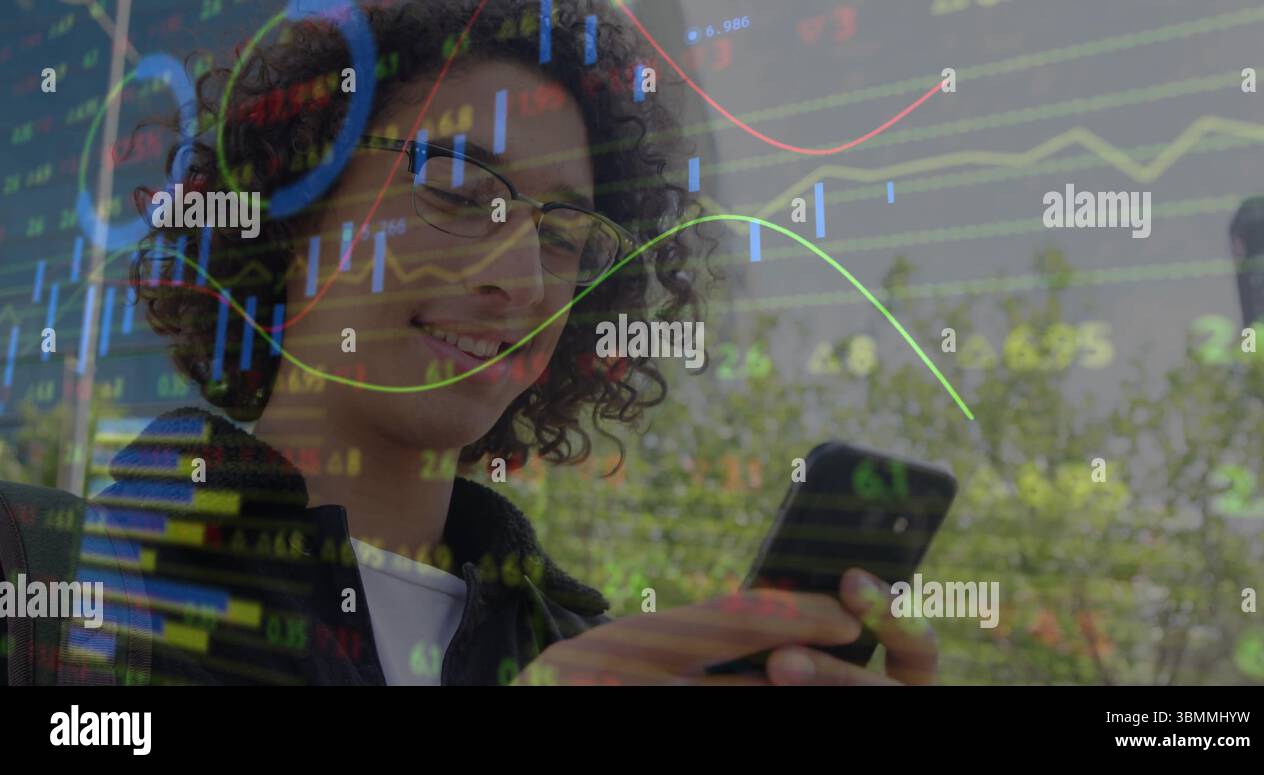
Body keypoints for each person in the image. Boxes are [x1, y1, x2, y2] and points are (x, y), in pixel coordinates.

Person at [1, 0, 936, 686]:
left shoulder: (590, 649)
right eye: (455, 182)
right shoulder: (45, 582)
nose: (521, 278)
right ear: (293, 202)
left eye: (564, 232)